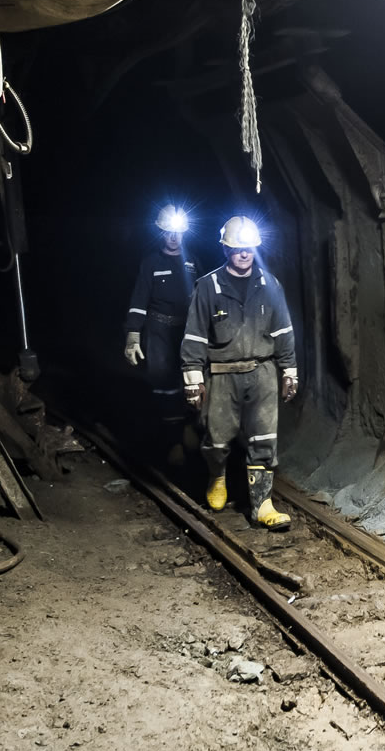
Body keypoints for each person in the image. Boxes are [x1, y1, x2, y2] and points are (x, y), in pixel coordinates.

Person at [181, 216, 298, 530]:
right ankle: (217, 476)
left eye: (248, 248)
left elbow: (284, 330)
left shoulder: (270, 284)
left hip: (262, 372)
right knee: (217, 440)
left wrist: (289, 370)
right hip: (221, 374)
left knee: (264, 439)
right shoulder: (208, 286)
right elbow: (194, 335)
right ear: (225, 248)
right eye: (237, 248)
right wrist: (193, 379)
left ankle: (262, 505)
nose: (244, 254)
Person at [123, 204, 200, 456]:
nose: (174, 237)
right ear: (160, 233)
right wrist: (133, 336)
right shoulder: (150, 263)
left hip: (186, 331)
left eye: (178, 232)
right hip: (158, 332)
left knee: (190, 381)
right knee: (164, 383)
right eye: (168, 232)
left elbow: (204, 296)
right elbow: (138, 300)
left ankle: (189, 427)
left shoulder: (192, 261)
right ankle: (172, 441)